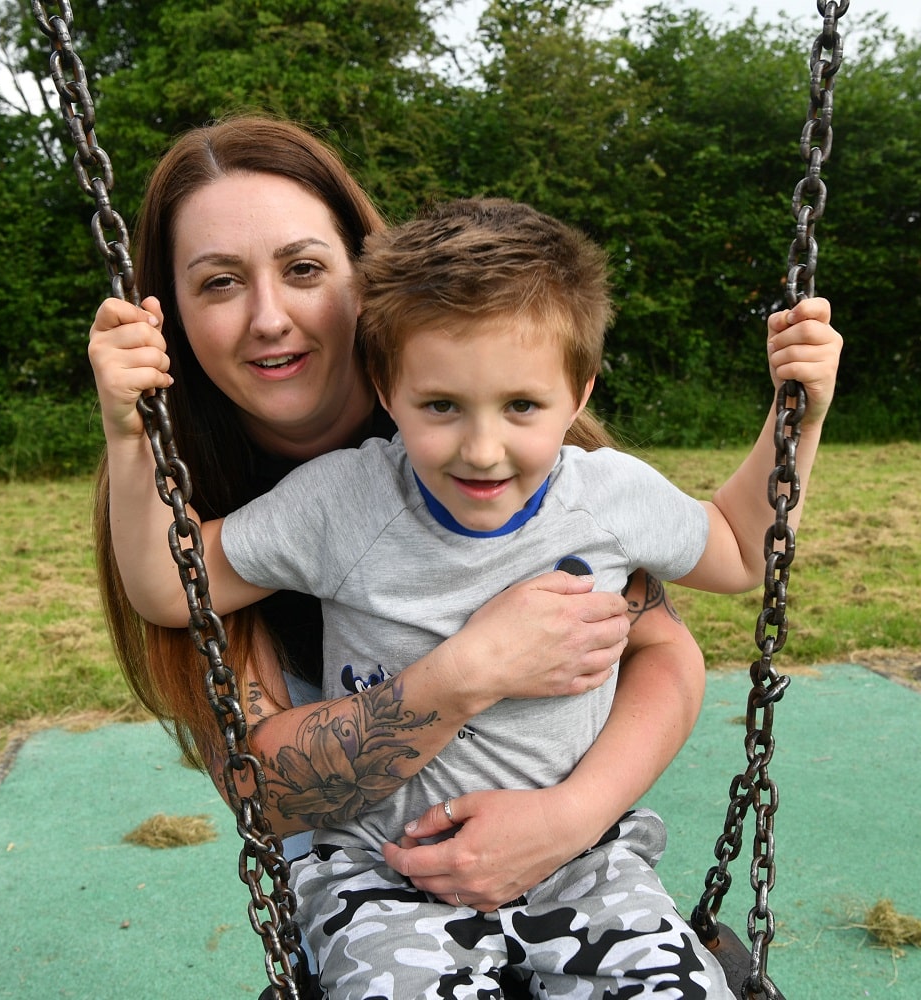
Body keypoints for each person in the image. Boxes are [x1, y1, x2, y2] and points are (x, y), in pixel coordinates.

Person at [100, 196, 842, 998]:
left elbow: (737, 549)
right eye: (442, 407)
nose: (482, 450)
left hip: (583, 863)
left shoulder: (607, 496)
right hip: (384, 877)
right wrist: (130, 435)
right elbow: (172, 588)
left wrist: (797, 415)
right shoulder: (341, 503)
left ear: (579, 392)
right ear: (387, 388)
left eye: (521, 406)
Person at [89, 115, 718, 923]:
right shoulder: (177, 498)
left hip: (563, 852)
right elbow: (263, 793)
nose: (269, 317)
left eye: (305, 268)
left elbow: (663, 652)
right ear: (165, 314)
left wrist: (570, 819)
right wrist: (468, 672)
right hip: (371, 879)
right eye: (219, 282)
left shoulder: (494, 449)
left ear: (366, 274)